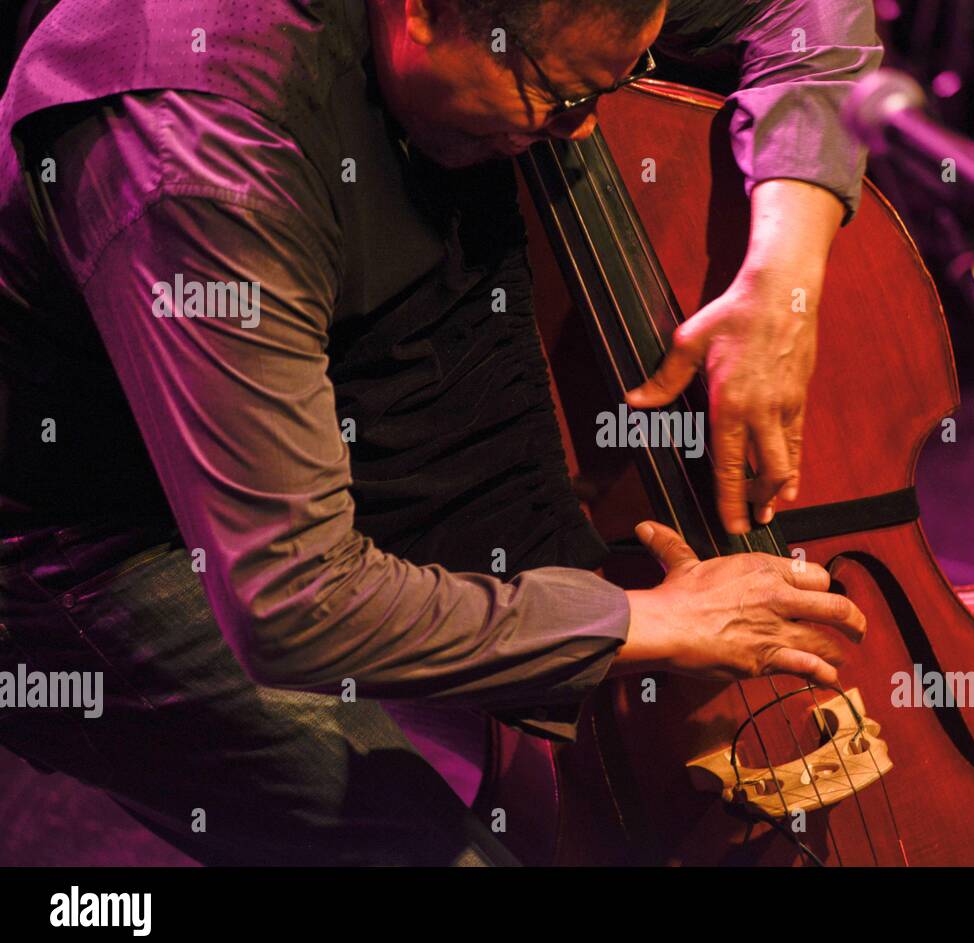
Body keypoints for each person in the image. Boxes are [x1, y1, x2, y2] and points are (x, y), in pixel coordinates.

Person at [0, 0, 881, 864]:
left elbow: (814, 7)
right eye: (562, 96)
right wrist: (646, 619)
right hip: (87, 534)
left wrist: (782, 277)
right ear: (421, 14)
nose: (582, 134)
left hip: (297, 426)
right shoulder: (202, 147)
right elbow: (296, 600)